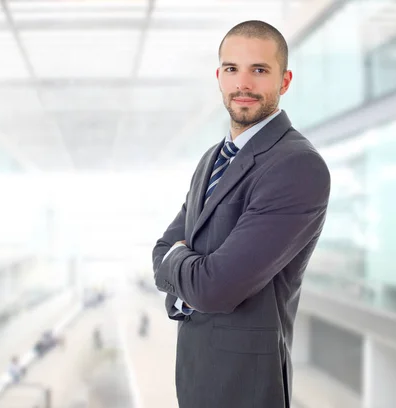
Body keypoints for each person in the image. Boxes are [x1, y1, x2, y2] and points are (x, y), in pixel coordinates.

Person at [152, 20, 331, 408]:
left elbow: (215, 286)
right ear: (219, 77)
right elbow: (160, 250)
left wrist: (179, 266)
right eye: (232, 69)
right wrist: (185, 266)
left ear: (284, 81)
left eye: (259, 70)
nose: (243, 84)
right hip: (195, 374)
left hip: (246, 387)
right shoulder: (212, 159)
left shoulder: (296, 166)